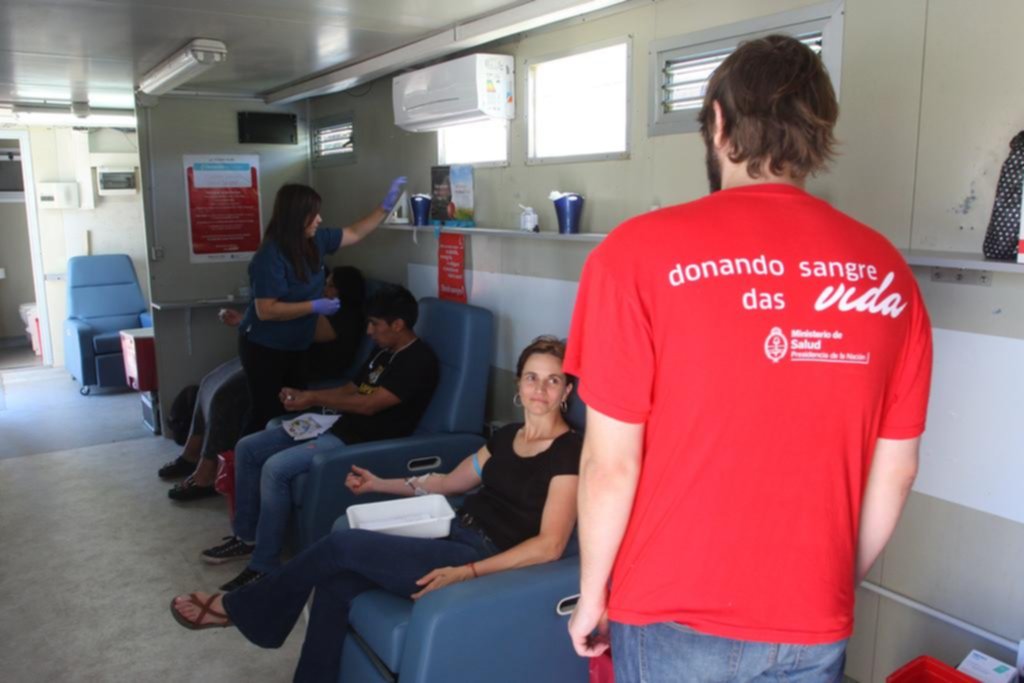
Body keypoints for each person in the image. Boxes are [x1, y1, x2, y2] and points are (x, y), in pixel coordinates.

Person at [564, 35, 933, 682]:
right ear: (818, 134)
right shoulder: (886, 274)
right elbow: (895, 470)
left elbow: (609, 465)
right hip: (815, 613)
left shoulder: (634, 254)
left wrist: (593, 594)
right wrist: (827, 584)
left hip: (670, 607)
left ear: (717, 121)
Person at [170, 336, 582, 683]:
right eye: (532, 377)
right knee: (336, 584)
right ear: (519, 383)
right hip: (453, 534)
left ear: (566, 391)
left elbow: (549, 545)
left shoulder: (569, 452)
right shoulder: (507, 436)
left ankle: (240, 608)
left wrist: (468, 572)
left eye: (552, 380)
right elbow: (448, 482)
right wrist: (377, 484)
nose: (540, 390)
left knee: (340, 546)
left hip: (481, 560)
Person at [200, 285, 440, 591]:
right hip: (337, 423)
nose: (368, 331)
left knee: (277, 467)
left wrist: (313, 401)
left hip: (365, 439)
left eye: (374, 325)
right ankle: (245, 536)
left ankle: (264, 564)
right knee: (248, 447)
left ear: (398, 324)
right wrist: (307, 396)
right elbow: (352, 390)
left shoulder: (418, 361)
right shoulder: (384, 350)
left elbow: (369, 405)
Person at [158, 266, 367, 502]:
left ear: (344, 292)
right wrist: (243, 321)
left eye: (329, 285)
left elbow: (307, 331)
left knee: (225, 396)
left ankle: (206, 473)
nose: (324, 288)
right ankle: (191, 455)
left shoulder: (345, 316)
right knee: (209, 383)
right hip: (275, 355)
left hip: (302, 370)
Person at [237, 178, 405, 437]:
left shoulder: (316, 241)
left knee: (293, 410)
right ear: (297, 217)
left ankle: (284, 468)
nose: (319, 219)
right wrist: (313, 305)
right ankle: (247, 467)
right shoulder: (270, 256)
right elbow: (266, 310)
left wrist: (385, 207)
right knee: (265, 412)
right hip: (265, 347)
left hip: (298, 344)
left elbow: (356, 232)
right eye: (313, 214)